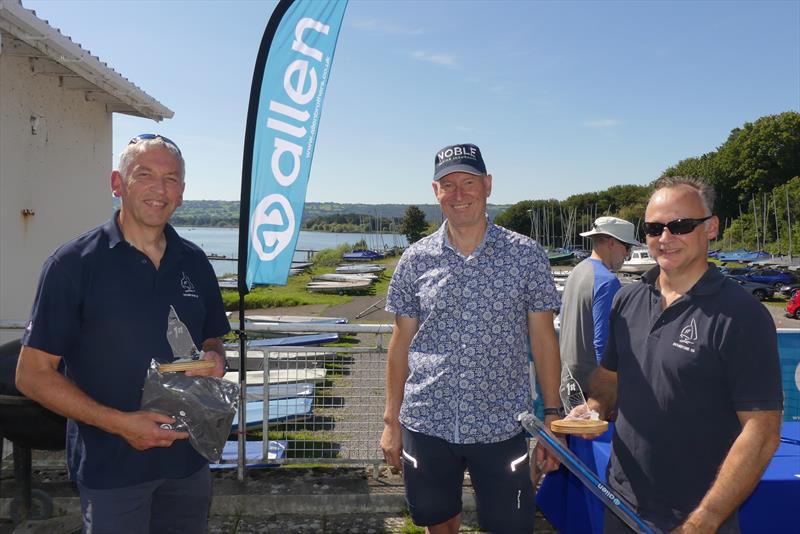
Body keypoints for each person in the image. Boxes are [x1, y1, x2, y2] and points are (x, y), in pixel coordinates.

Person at [16, 134, 230, 533]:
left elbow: (213, 338)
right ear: (117, 183)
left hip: (188, 461)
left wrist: (215, 356)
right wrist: (119, 423)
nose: (159, 189)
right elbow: (32, 374)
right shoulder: (73, 265)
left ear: (182, 193)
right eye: (144, 174)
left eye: (171, 179)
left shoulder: (196, 262)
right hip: (111, 466)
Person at [380, 143, 563, 534]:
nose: (459, 194)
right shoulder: (416, 259)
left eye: (469, 182)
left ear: (488, 185)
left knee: (509, 526)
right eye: (449, 185)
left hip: (501, 424)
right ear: (436, 192)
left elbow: (545, 340)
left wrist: (551, 415)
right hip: (428, 421)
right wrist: (391, 421)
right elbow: (400, 346)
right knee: (438, 521)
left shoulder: (526, 255)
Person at [583, 176, 783, 533]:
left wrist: (703, 521)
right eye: (654, 228)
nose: (665, 238)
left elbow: (762, 432)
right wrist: (592, 408)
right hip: (620, 503)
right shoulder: (626, 301)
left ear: (711, 228)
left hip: (695, 516)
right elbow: (608, 381)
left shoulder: (741, 315)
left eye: (681, 226)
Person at [559, 216, 639, 392]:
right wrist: (612, 390)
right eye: (627, 247)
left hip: (569, 381)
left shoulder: (576, 272)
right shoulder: (607, 281)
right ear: (611, 242)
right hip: (591, 389)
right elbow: (603, 343)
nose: (627, 254)